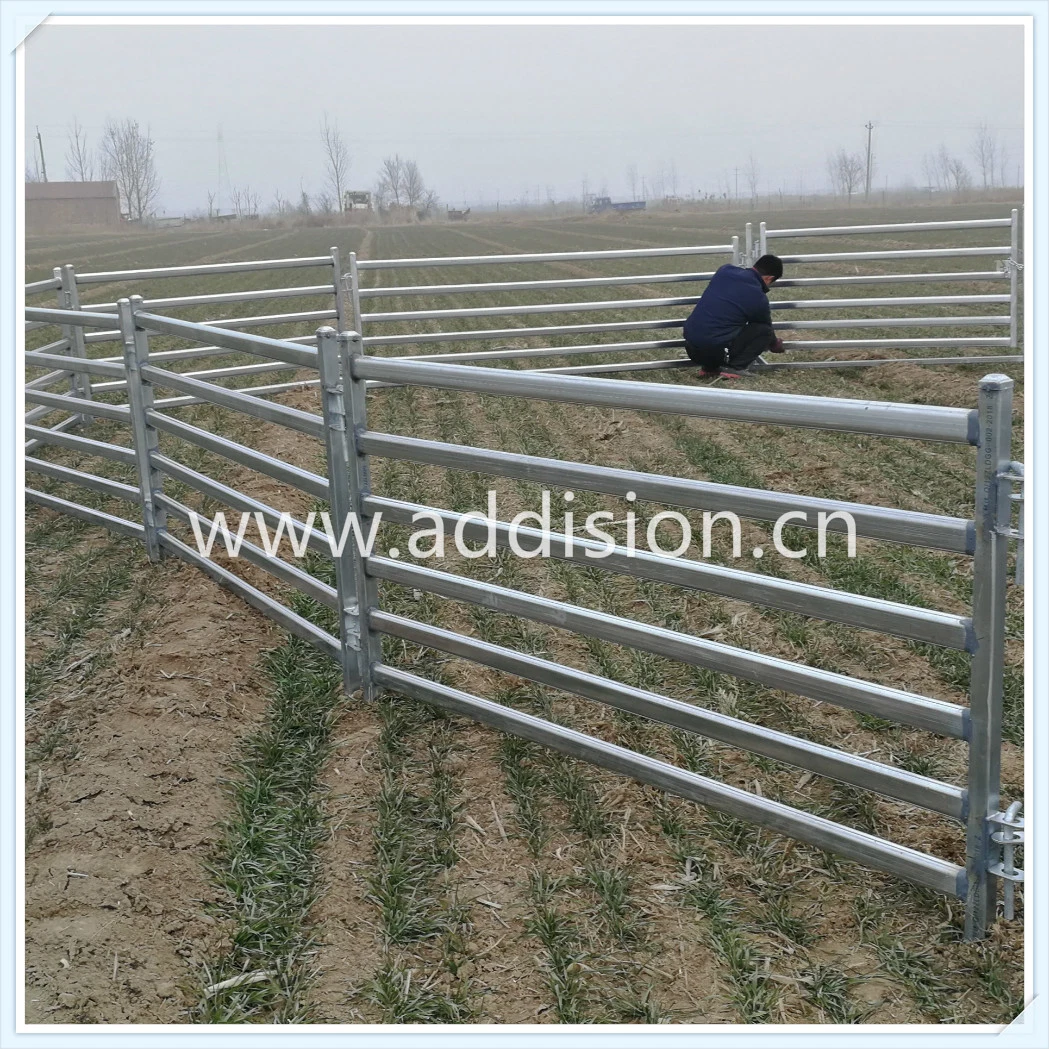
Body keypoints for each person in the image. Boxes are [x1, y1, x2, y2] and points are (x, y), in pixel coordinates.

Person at [682, 254, 786, 379]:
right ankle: (735, 368)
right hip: (717, 352)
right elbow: (765, 327)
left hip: (691, 348)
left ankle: (710, 368)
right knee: (764, 331)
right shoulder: (758, 296)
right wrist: (775, 344)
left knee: (718, 326)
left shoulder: (724, 271)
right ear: (769, 278)